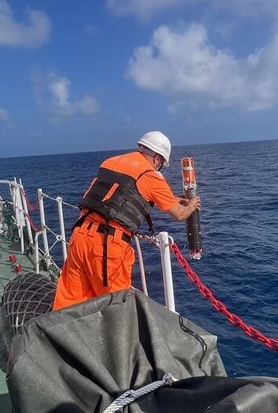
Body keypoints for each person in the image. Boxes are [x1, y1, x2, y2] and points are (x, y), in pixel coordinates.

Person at [52, 131, 200, 310]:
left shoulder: (110, 162)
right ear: (157, 159)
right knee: (116, 310)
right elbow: (179, 214)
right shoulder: (151, 175)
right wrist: (192, 204)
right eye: (160, 164)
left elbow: (120, 192)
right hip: (106, 246)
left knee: (69, 306)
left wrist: (174, 198)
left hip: (79, 236)